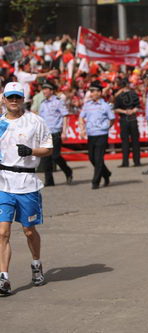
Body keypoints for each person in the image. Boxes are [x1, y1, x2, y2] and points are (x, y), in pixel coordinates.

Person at [0, 82, 53, 295]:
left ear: (23, 99)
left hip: (27, 183)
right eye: (10, 97)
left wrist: (31, 151)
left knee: (29, 231)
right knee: (2, 232)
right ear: (4, 99)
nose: (14, 101)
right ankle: (3, 278)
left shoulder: (35, 122)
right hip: (3, 182)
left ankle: (36, 263)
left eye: (17, 97)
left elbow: (49, 149)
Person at [78, 81, 115, 189]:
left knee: (99, 158)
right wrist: (82, 128)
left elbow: (112, 119)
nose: (92, 93)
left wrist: (107, 127)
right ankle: (106, 173)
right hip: (91, 134)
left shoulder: (105, 105)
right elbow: (81, 117)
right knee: (92, 158)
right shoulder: (87, 105)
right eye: (91, 91)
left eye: (95, 91)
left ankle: (95, 181)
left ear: (99, 92)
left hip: (102, 134)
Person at [38, 81, 73, 185]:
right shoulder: (43, 103)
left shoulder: (58, 102)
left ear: (51, 91)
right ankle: (49, 181)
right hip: (45, 134)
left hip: (56, 132)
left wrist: (65, 131)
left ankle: (68, 171)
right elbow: (41, 119)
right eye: (43, 89)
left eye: (46, 89)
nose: (44, 91)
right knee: (46, 158)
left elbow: (65, 116)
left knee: (55, 156)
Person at [114, 79, 141, 168]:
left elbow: (115, 109)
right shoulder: (134, 94)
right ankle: (137, 161)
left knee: (125, 141)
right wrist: (132, 111)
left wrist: (125, 111)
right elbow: (138, 106)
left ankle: (125, 162)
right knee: (135, 141)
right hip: (133, 118)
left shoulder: (118, 96)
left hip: (124, 118)